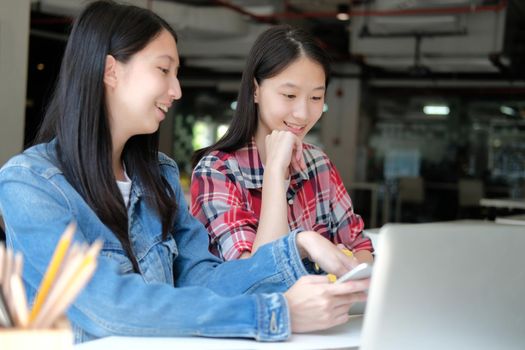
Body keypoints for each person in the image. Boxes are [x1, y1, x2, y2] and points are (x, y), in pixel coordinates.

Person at [0, 1, 369, 344]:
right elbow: (109, 306)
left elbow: (204, 280)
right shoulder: (29, 184)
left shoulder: (158, 176)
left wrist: (299, 243)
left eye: (177, 74)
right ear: (111, 70)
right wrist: (277, 312)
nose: (176, 90)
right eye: (164, 70)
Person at [191, 25, 374, 263]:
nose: (303, 113)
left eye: (316, 97)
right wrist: (275, 172)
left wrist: (351, 273)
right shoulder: (216, 171)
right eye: (289, 95)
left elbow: (360, 247)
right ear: (256, 90)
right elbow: (256, 276)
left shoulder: (319, 164)